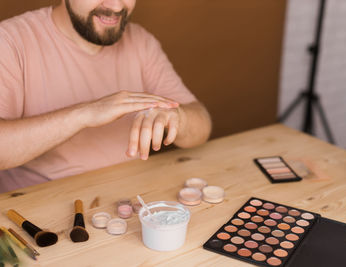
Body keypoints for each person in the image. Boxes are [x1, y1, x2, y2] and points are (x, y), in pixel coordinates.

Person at [0, 0, 212, 193]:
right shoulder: (10, 41)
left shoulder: (140, 41)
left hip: (131, 199)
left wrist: (178, 118)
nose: (117, 7)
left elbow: (201, 127)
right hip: (39, 209)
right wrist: (84, 114)